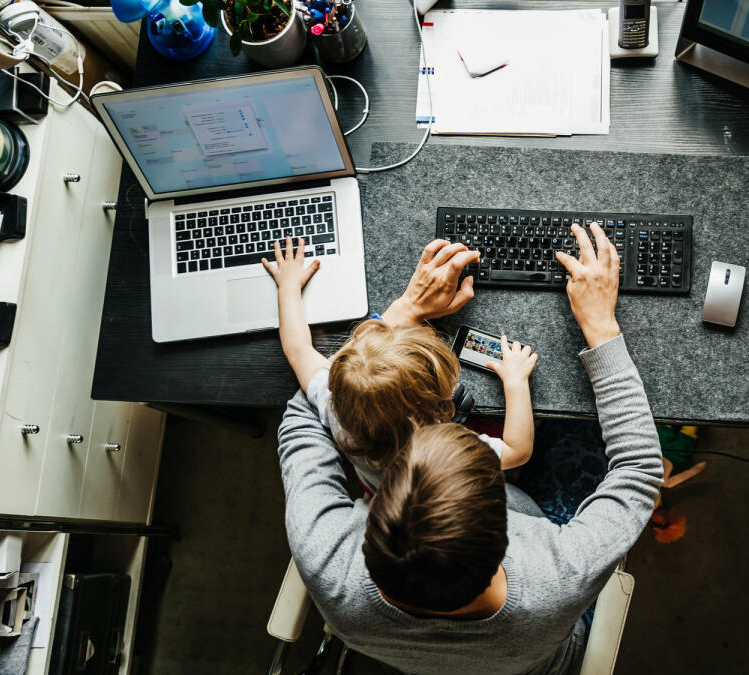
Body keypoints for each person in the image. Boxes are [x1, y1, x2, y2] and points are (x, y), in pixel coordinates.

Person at [276, 224, 663, 674]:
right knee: (578, 439)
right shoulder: (557, 574)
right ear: (506, 533)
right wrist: (600, 325)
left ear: (374, 511)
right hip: (545, 659)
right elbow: (637, 471)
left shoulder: (323, 557)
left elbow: (305, 410)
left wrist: (402, 316)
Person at [261, 237, 539, 490]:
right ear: (443, 408)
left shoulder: (334, 402)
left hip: (380, 486)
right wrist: (516, 383)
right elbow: (518, 451)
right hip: (437, 486)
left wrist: (287, 287)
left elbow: (297, 349)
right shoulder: (447, 450)